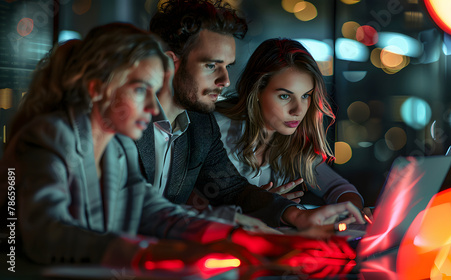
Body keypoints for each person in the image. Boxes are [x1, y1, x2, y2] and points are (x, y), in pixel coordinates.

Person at [0, 23, 324, 268]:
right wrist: (146, 252)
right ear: (98, 88)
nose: (153, 107)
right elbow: (44, 233)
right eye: (142, 90)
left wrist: (233, 235)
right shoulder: (50, 135)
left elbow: (153, 211)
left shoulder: (117, 148)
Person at [142, 0, 366, 229]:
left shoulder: (199, 124)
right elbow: (149, 214)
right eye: (211, 66)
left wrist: (295, 215)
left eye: (227, 67)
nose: (226, 81)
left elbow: (233, 190)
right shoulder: (129, 124)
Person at [215, 38, 370, 216]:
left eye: (305, 96)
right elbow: (187, 207)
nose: (298, 110)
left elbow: (339, 188)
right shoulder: (215, 128)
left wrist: (352, 214)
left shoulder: (294, 143)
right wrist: (257, 206)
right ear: (257, 90)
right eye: (284, 96)